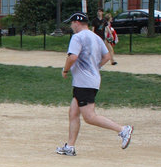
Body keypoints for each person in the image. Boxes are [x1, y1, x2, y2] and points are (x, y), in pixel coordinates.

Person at [56, 13, 132, 156]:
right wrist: (94, 68)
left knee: (89, 117)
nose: (71, 26)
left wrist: (65, 70)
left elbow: (72, 56)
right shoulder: (96, 37)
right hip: (89, 80)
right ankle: (70, 147)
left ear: (76, 23)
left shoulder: (77, 37)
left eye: (71, 23)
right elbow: (107, 56)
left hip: (84, 82)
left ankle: (122, 129)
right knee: (73, 113)